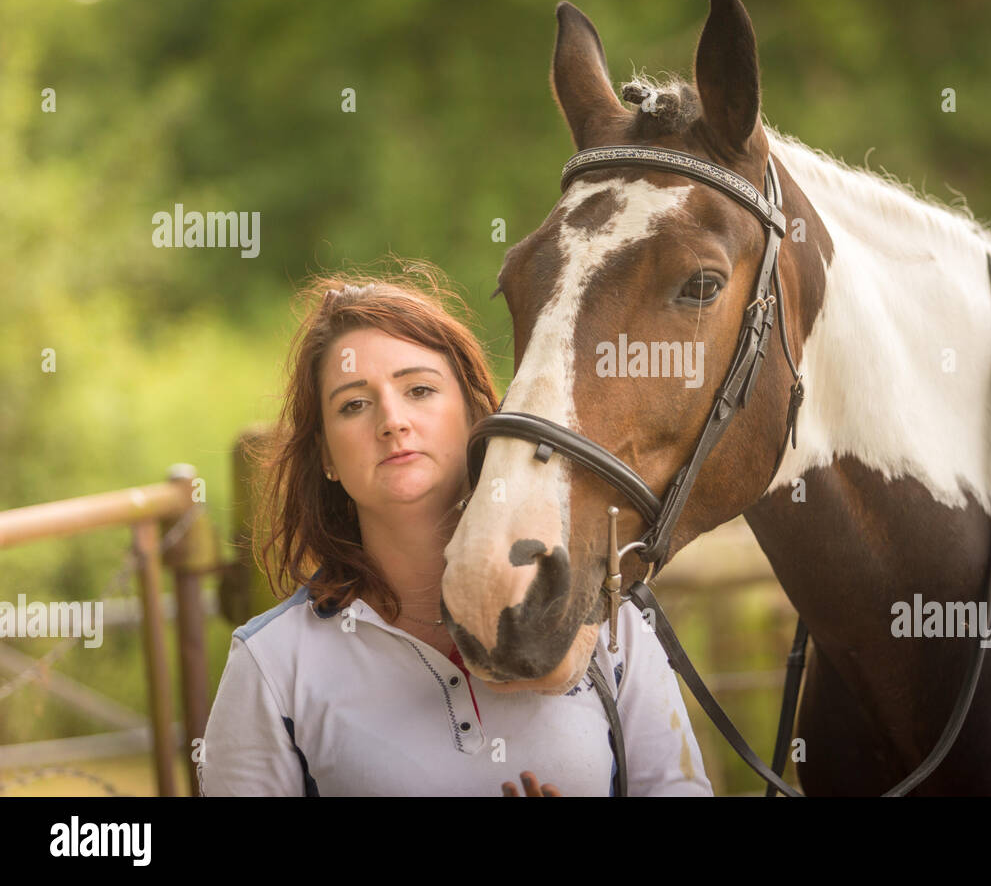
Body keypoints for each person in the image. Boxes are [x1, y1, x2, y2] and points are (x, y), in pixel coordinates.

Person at [199, 268, 713, 796]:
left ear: (475, 412)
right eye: (354, 404)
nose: (392, 420)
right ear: (326, 454)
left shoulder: (598, 613)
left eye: (419, 389)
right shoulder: (272, 663)